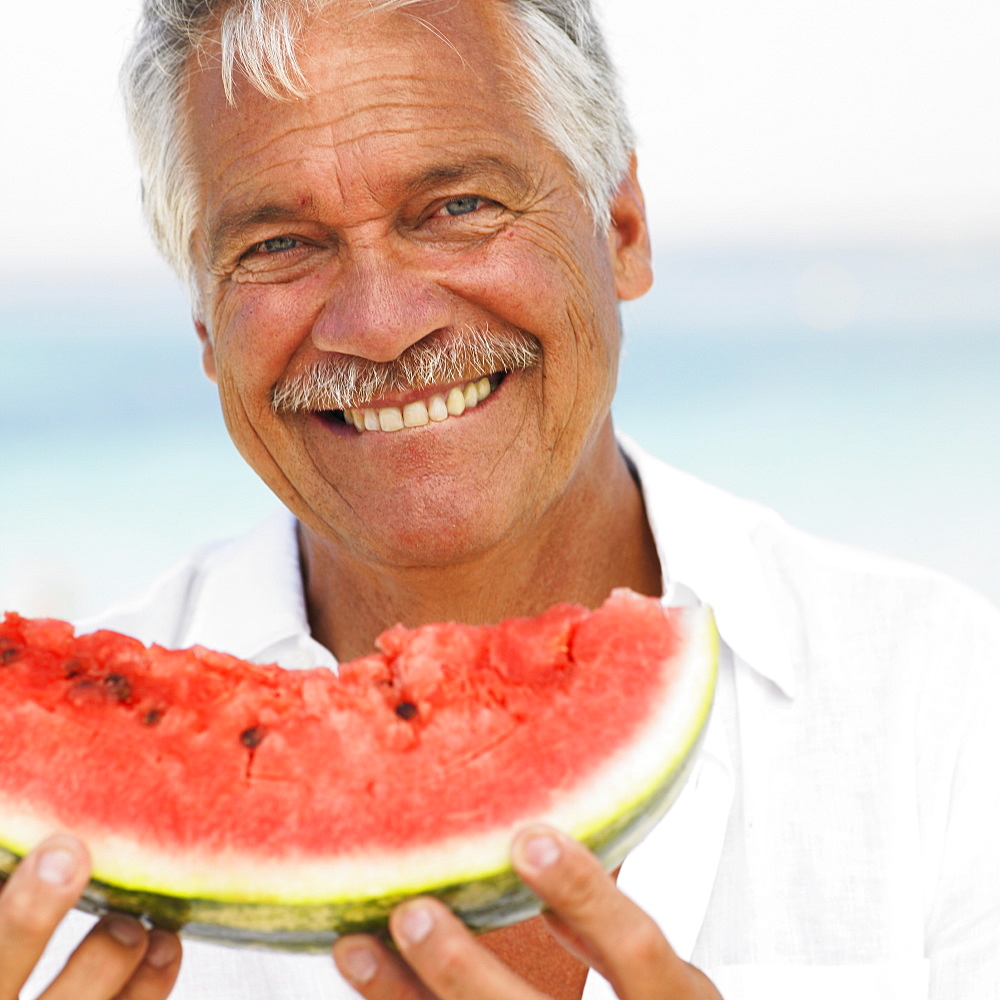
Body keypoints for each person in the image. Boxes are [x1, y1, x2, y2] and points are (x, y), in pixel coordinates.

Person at [6, 0, 999, 998]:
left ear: (622, 228)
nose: (382, 326)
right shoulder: (30, 841)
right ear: (204, 325)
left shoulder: (951, 711)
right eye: (277, 245)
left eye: (457, 207)